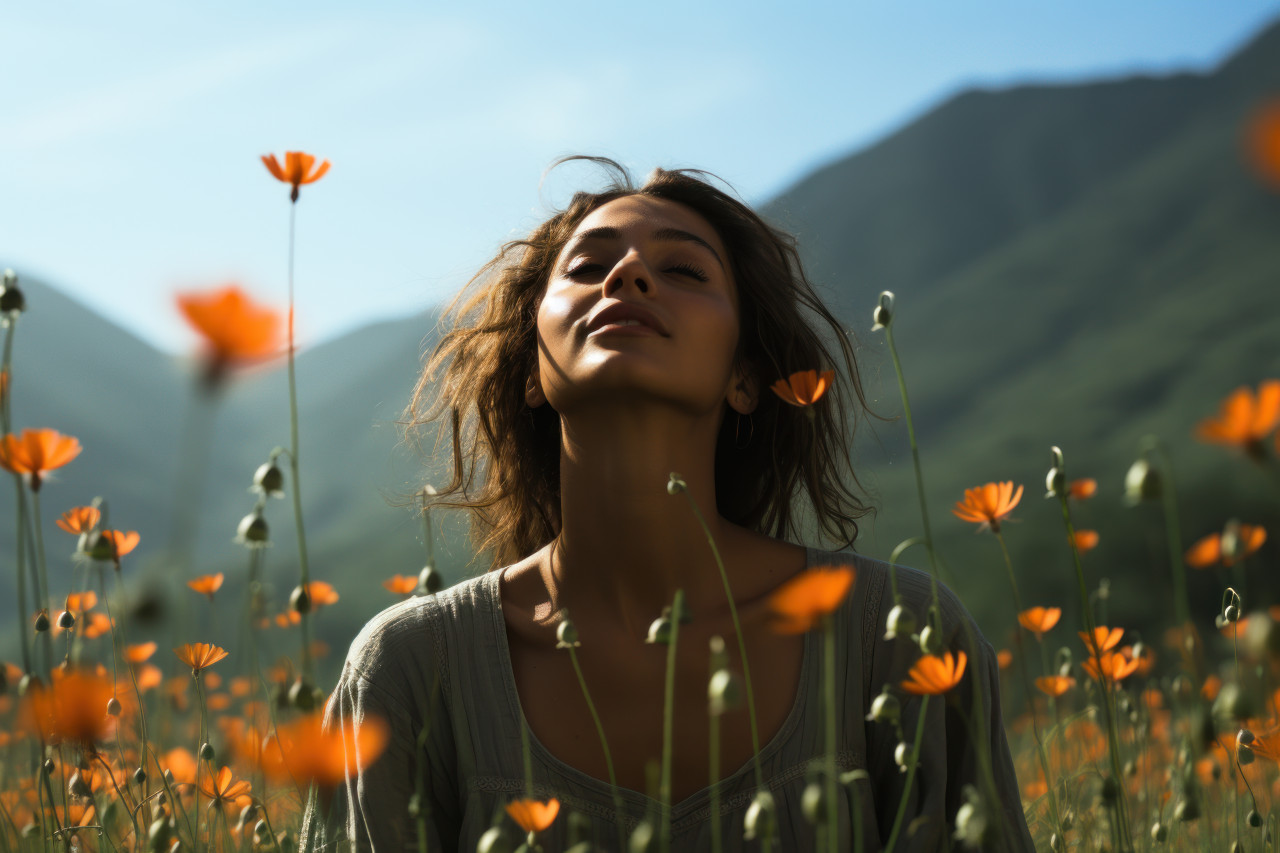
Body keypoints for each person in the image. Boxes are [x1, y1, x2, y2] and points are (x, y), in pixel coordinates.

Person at [300, 157, 1034, 851]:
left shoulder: (899, 639)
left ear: (745, 377)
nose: (628, 275)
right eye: (589, 266)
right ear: (531, 370)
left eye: (681, 268)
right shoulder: (410, 670)